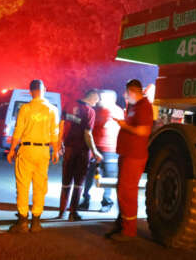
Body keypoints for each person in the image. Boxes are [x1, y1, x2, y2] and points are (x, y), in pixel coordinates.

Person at [7, 79, 59, 234]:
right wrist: (55, 151)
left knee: (23, 185)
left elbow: (18, 131)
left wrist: (11, 150)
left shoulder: (25, 108)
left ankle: (23, 221)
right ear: (45, 90)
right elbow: (54, 133)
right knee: (40, 186)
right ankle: (36, 222)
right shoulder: (52, 109)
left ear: (30, 91)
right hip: (43, 151)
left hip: (27, 149)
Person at [106, 79, 153, 242]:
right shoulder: (134, 106)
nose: (125, 95)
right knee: (123, 190)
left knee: (128, 192)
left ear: (133, 91)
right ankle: (122, 223)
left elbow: (143, 131)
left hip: (134, 155)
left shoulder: (144, 107)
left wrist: (123, 125)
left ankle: (129, 231)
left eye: (127, 93)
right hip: (127, 154)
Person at [58, 89, 102, 221]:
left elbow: (61, 125)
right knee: (78, 182)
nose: (97, 102)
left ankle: (61, 211)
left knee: (66, 181)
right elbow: (87, 134)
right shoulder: (89, 111)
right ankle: (73, 213)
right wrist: (95, 151)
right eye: (97, 99)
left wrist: (59, 142)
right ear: (92, 96)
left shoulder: (70, 105)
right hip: (82, 151)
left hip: (69, 148)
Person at [83, 89, 123, 212]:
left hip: (110, 149)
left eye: (103, 97)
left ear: (112, 99)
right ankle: (85, 200)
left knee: (109, 177)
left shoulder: (117, 111)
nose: (100, 99)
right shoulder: (96, 110)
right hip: (96, 148)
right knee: (89, 175)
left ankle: (106, 202)